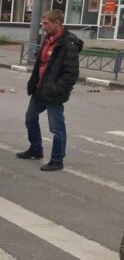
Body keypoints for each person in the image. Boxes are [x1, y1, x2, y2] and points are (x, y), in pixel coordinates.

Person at [16, 10, 82, 171]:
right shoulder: (48, 39)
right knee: (30, 118)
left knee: (56, 127)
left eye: (46, 23)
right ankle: (36, 149)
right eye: (42, 23)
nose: (42, 26)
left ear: (57, 23)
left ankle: (57, 160)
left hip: (53, 92)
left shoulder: (68, 43)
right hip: (39, 89)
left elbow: (71, 73)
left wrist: (57, 88)